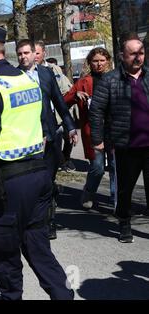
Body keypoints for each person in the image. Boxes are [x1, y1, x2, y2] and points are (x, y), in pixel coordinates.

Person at [0, 25, 73, 300]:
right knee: (38, 247)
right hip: (39, 175)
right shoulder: (27, 81)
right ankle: (63, 295)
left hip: (8, 184)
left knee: (4, 255)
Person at [90, 32, 149, 243]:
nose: (138, 57)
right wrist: (97, 140)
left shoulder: (148, 76)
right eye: (133, 53)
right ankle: (124, 222)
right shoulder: (110, 80)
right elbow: (96, 110)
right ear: (122, 55)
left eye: (141, 53)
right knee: (125, 188)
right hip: (126, 145)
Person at [16, 39, 77, 240]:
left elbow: (59, 103)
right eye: (20, 53)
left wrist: (69, 127)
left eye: (27, 53)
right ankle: (33, 220)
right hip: (26, 139)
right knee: (31, 183)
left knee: (48, 182)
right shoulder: (13, 77)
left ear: (35, 54)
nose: (23, 57)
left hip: (49, 136)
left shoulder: (46, 74)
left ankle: (49, 222)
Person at [64, 47, 115, 209]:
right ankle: (89, 191)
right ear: (89, 63)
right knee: (98, 168)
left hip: (114, 130)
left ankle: (117, 201)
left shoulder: (115, 78)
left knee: (115, 166)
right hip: (93, 131)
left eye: (102, 60)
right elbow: (64, 101)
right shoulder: (83, 82)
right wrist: (75, 95)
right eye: (95, 61)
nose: (99, 64)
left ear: (108, 61)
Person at [34, 40, 77, 171]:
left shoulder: (54, 70)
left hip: (56, 116)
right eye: (32, 52)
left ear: (44, 53)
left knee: (56, 146)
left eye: (37, 53)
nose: (34, 56)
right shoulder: (23, 73)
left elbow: (63, 91)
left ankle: (63, 162)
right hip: (39, 118)